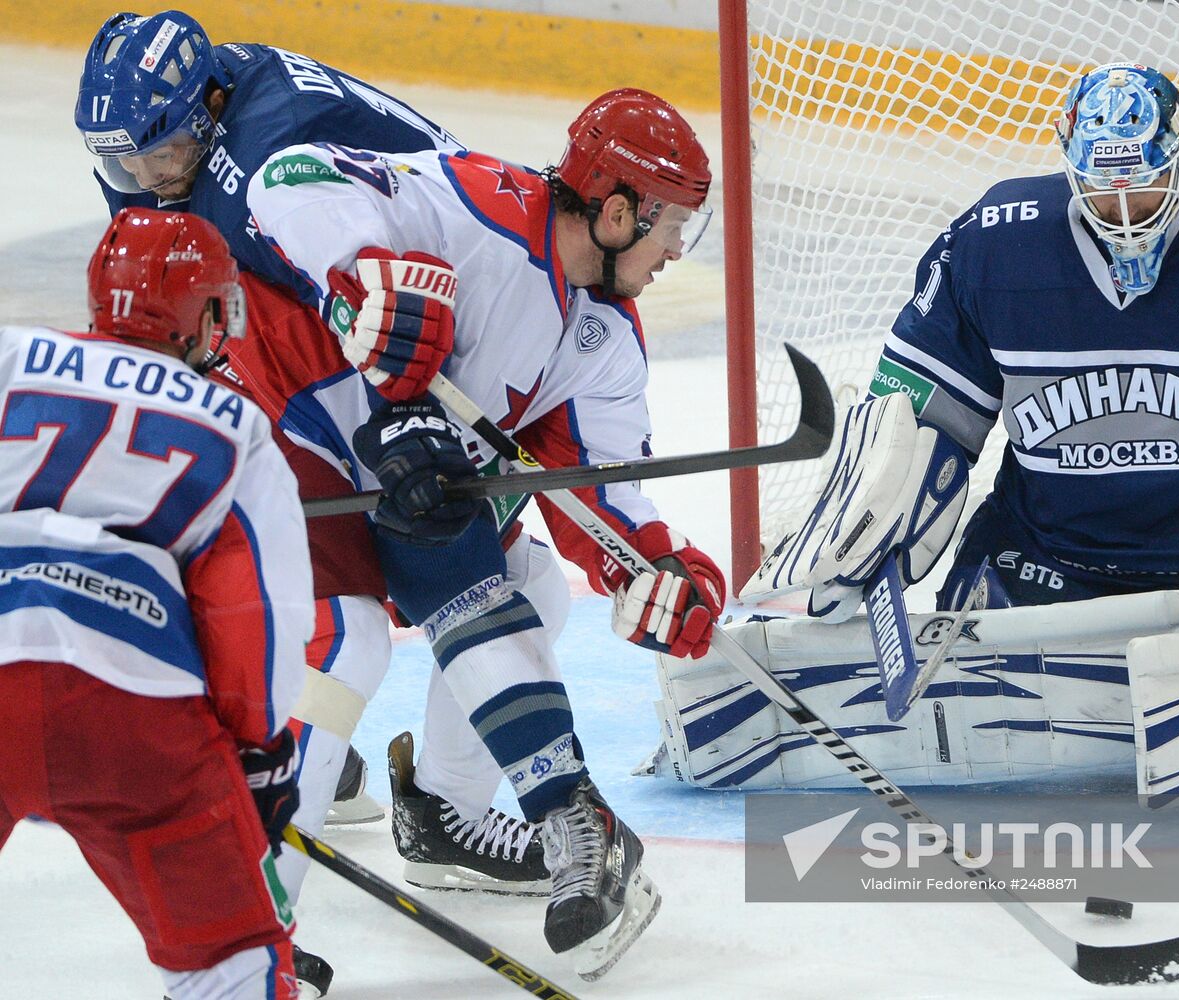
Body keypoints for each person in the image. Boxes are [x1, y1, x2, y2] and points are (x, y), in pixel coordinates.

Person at [74, 16, 548, 994]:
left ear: (207, 108)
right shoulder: (203, 136)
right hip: (376, 346)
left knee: (490, 586)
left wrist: (404, 421)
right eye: (118, 161)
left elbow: (382, 306)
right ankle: (257, 878)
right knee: (350, 625)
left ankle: (429, 811)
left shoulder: (263, 162)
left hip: (444, 341)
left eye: (154, 152)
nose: (140, 179)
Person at [245, 86, 725, 979]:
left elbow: (598, 489)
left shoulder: (603, 338)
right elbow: (288, 174)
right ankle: (247, 927)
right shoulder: (477, 204)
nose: (674, 254)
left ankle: (444, 818)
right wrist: (363, 277)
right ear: (617, 210)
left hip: (404, 466)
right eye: (670, 229)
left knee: (532, 583)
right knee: (343, 641)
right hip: (294, 420)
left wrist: (657, 567)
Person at [757, 62, 1179, 635]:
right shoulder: (993, 249)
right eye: (1099, 185)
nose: (1121, 209)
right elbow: (918, 425)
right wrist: (869, 535)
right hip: (1039, 558)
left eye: (1142, 183)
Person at [0, 207, 313, 999]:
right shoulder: (236, 425)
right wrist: (257, 746)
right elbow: (257, 617)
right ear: (207, 314)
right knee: (232, 958)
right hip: (132, 711)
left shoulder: (9, 357)